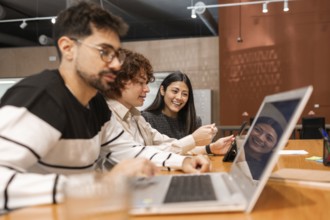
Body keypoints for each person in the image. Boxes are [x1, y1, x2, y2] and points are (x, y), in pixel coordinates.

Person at [0, 2, 209, 213]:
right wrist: (99, 185)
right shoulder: (40, 98)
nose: (117, 65)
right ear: (68, 48)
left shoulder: (96, 104)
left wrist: (183, 162)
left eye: (116, 54)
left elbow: (128, 150)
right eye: (104, 52)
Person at [105, 49, 234, 155]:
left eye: (185, 94)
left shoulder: (136, 118)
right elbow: (140, 154)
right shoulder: (106, 117)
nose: (147, 89)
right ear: (120, 81)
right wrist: (193, 140)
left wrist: (210, 148)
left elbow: (168, 145)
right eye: (140, 83)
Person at [142, 71, 201, 140]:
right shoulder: (147, 118)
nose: (179, 97)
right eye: (175, 91)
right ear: (162, 90)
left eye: (184, 94)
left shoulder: (194, 121)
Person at [236, 104, 286, 181]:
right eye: (257, 130)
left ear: (275, 146)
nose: (260, 138)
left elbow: (249, 187)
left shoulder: (268, 170)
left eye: (269, 138)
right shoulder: (236, 148)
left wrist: (241, 161)